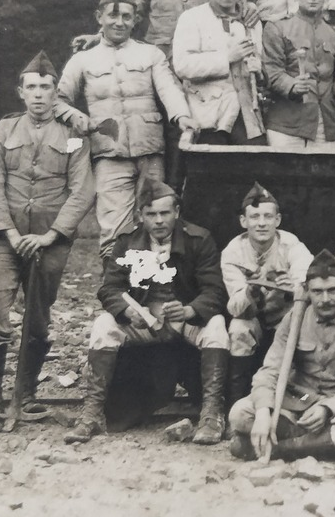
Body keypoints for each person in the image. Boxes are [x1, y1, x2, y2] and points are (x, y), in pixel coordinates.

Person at [0, 50, 95, 433]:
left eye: (46, 87)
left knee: (38, 319)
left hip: (50, 241)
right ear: (20, 93)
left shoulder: (74, 136)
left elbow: (82, 190)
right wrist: (10, 233)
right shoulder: (3, 131)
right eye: (32, 88)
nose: (39, 95)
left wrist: (49, 236)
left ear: (56, 92)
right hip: (2, 239)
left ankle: (25, 396)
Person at [67, 179, 231, 445]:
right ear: (140, 215)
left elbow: (215, 291)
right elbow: (109, 289)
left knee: (217, 327)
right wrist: (126, 310)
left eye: (165, 213)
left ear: (177, 212)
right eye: (151, 214)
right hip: (143, 323)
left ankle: (212, 414)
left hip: (183, 322)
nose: (158, 221)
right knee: (103, 324)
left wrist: (190, 310)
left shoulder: (198, 240)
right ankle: (92, 413)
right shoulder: (126, 243)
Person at [56, 0, 194, 248]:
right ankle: (114, 287)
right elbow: (58, 100)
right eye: (113, 16)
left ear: (136, 20)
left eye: (126, 17)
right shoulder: (83, 61)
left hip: (150, 152)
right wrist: (76, 117)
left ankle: (153, 288)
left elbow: (169, 89)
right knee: (114, 229)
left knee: (156, 224)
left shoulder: (150, 54)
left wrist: (182, 117)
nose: (119, 23)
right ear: (100, 18)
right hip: (109, 154)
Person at [228, 249, 335, 462]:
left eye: (332, 290)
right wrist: (264, 411)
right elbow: (270, 369)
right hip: (297, 399)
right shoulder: (294, 318)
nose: (325, 299)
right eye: (317, 292)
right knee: (239, 414)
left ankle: (278, 450)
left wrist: (327, 408)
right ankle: (317, 444)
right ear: (307, 292)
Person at [220, 182, 315, 407]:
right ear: (244, 221)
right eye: (254, 217)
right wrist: (250, 291)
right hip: (255, 319)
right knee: (239, 329)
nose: (261, 223)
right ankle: (237, 404)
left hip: (285, 317)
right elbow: (234, 308)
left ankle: (294, 400)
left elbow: (308, 280)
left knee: (301, 322)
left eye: (268, 217)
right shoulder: (232, 252)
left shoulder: (291, 245)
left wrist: (293, 285)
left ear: (278, 220)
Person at [171, 0, 266, 145]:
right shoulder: (192, 19)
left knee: (257, 168)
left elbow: (260, 67)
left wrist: (260, 71)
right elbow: (182, 65)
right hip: (209, 117)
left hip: (248, 117)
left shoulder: (251, 22)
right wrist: (227, 58)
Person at [260, 0, 335, 149]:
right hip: (287, 125)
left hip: (326, 126)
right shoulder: (277, 28)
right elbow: (271, 71)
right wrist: (292, 85)